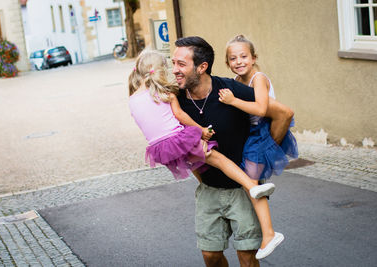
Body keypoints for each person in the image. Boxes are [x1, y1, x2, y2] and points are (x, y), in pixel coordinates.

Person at [172, 36, 293, 266]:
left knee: (246, 257)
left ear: (202, 67)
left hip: (243, 190)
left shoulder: (230, 89)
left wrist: (265, 155)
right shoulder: (176, 100)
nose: (175, 70)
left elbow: (284, 114)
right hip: (208, 190)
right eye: (173, 63)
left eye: (181, 64)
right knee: (210, 255)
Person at [128, 50, 274, 205]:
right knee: (217, 159)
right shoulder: (164, 93)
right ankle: (251, 186)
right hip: (176, 139)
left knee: (193, 162)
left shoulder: (132, 99)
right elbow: (180, 115)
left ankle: (205, 188)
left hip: (160, 148)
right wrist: (200, 130)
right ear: (160, 70)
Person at [219, 34, 299, 259]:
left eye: (244, 56)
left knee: (250, 185)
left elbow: (262, 109)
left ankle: (269, 234)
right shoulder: (236, 81)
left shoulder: (259, 78)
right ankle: (266, 228)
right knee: (251, 184)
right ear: (227, 63)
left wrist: (233, 101)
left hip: (261, 132)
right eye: (233, 58)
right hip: (250, 134)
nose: (239, 61)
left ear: (253, 58)